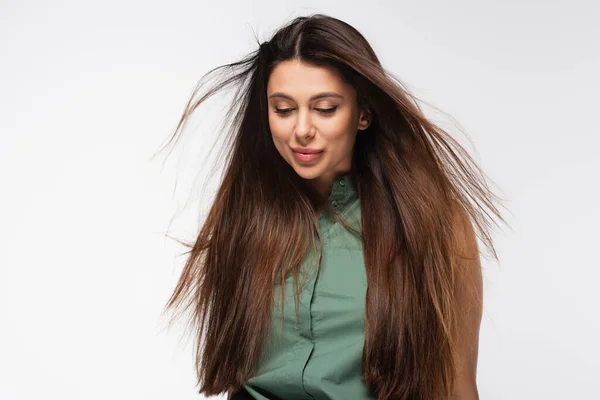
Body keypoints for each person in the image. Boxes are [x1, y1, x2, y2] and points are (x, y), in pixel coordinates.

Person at [158, 13, 507, 400]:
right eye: (284, 109)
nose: (302, 129)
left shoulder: (433, 225)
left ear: (363, 114)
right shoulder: (244, 222)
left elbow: (456, 387)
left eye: (324, 108)